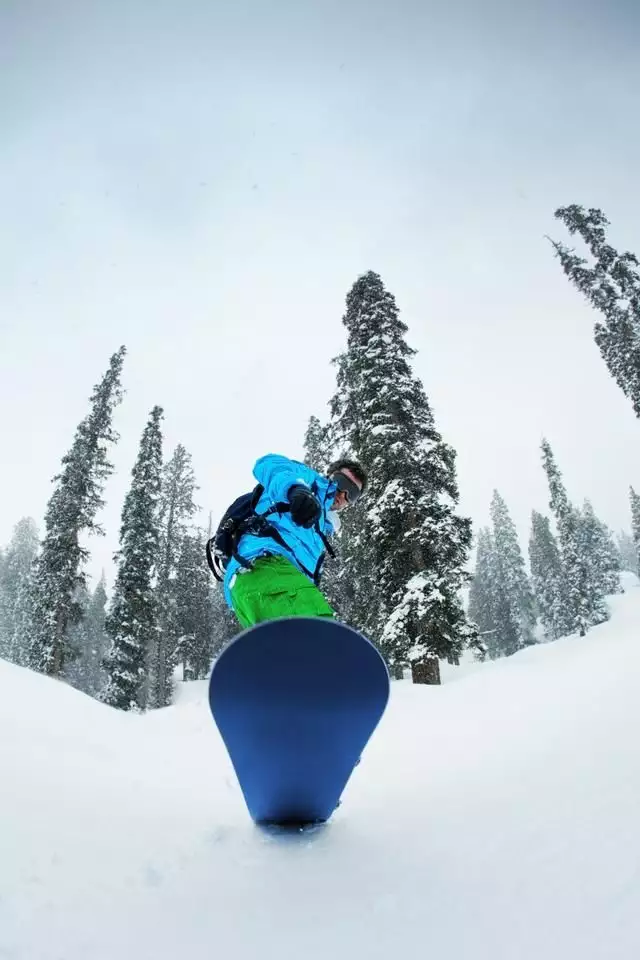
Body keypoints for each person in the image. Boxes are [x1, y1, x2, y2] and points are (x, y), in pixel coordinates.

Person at [223, 453, 367, 628]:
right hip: (266, 566)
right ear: (330, 476)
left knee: (292, 648)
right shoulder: (308, 481)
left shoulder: (322, 528)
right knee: (322, 637)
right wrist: (296, 489)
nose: (342, 495)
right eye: (342, 483)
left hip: (255, 585)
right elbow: (268, 464)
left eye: (351, 494)